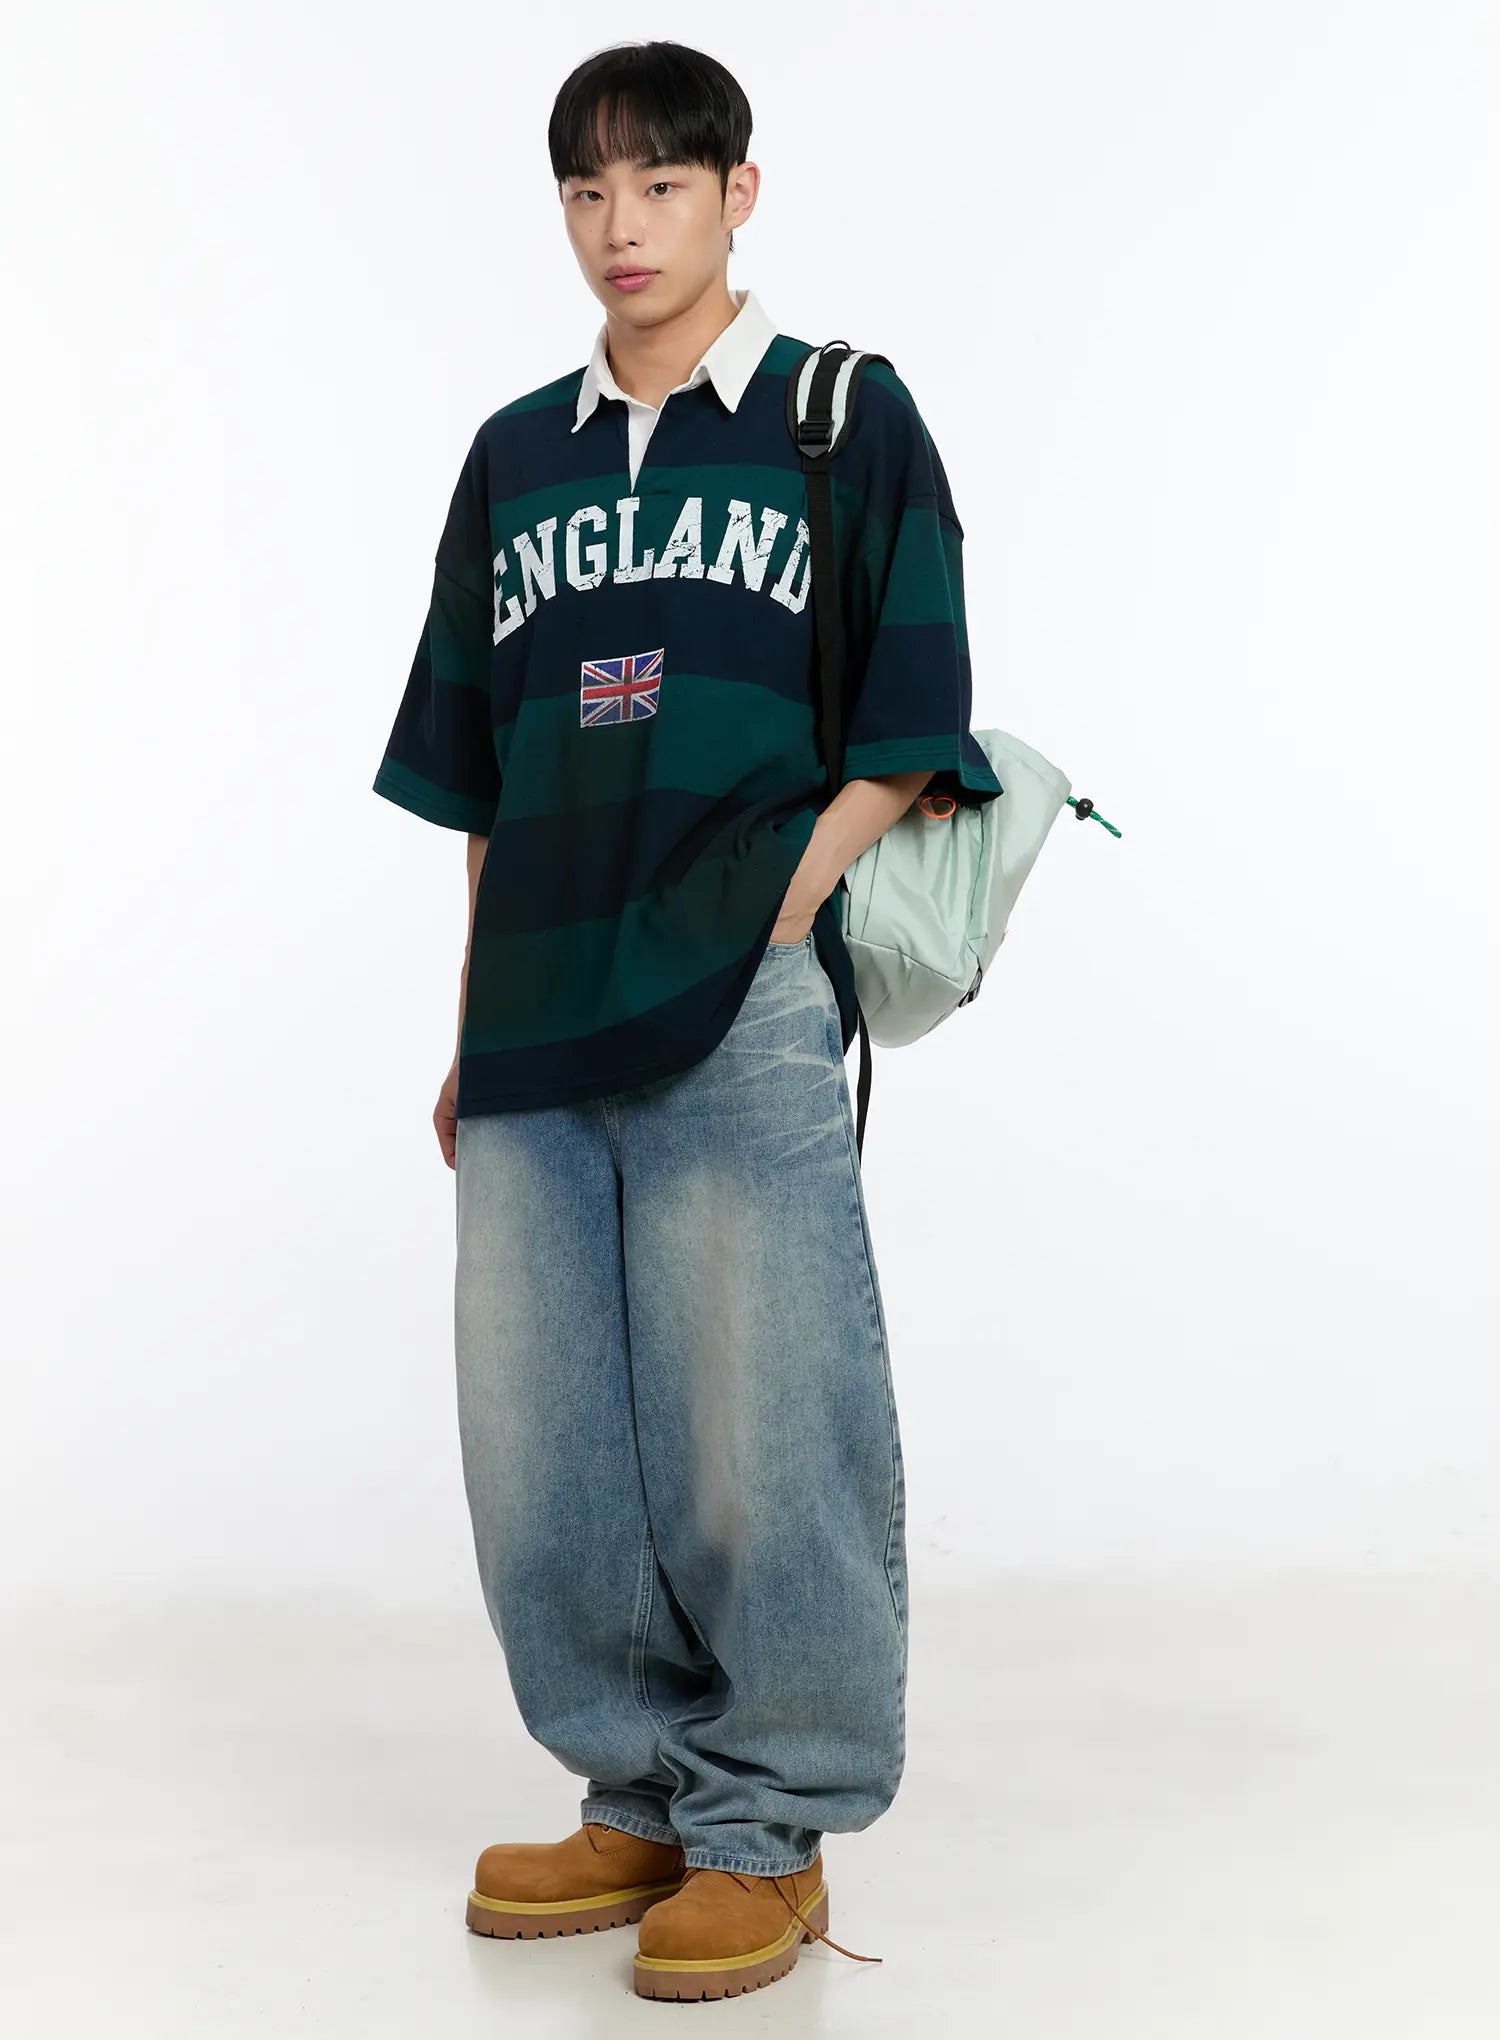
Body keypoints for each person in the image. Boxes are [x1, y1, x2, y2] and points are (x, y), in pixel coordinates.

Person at [371, 38, 1002, 2005]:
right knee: (543, 1439)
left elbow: (916, 717)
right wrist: (474, 1018)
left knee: (759, 1421)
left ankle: (768, 1827)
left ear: (740, 192)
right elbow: (483, 775)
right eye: (587, 189)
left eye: (660, 182)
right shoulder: (517, 458)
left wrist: (786, 902)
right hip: (539, 1008)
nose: (620, 225)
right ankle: (635, 1793)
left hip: (736, 995)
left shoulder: (839, 417)